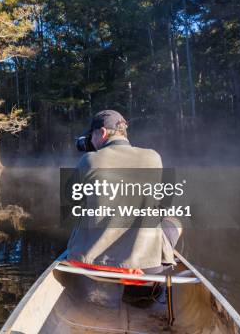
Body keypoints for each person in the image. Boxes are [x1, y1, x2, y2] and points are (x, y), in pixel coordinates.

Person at [66, 110, 182, 279]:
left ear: (103, 132)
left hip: (88, 264)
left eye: (92, 136)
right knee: (174, 220)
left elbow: (72, 201)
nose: (90, 141)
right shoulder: (153, 157)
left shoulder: (89, 159)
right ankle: (161, 267)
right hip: (144, 268)